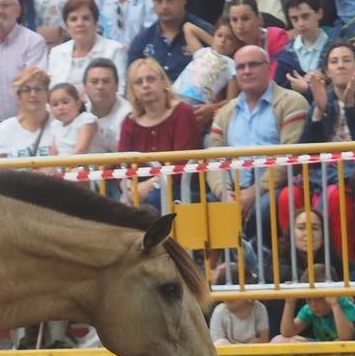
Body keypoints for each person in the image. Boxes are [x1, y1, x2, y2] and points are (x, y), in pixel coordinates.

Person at [207, 45, 309, 239]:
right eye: (240, 67)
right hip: (232, 190)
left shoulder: (292, 102)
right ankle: (218, 268)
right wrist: (225, 194)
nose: (246, 71)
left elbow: (290, 156)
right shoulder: (224, 113)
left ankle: (259, 265)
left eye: (253, 64)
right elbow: (212, 159)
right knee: (208, 208)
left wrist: (253, 192)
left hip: (273, 188)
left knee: (262, 209)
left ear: (268, 67)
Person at [118, 57, 201, 207]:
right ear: (133, 90)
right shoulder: (129, 122)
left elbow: (181, 163)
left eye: (151, 79)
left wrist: (149, 186)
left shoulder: (182, 113)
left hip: (181, 188)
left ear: (163, 82)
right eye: (138, 82)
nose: (145, 85)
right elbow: (121, 165)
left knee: (155, 200)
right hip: (139, 191)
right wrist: (131, 189)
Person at [128, 0, 210, 81]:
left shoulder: (204, 33)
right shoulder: (142, 40)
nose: (164, 6)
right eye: (158, 0)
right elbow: (132, 80)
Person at [47, 0, 128, 94]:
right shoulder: (56, 53)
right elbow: (50, 93)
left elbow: (119, 91)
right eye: (73, 19)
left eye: (85, 18)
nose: (80, 23)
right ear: (66, 26)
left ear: (95, 22)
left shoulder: (114, 50)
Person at [297, 40, 355, 143]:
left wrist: (350, 107)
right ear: (328, 72)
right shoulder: (323, 100)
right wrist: (319, 111)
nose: (340, 66)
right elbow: (306, 152)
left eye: (347, 60)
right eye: (334, 62)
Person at [275, 267, 355, 343]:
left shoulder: (344, 304)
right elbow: (287, 333)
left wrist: (335, 305)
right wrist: (289, 302)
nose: (313, 305)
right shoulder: (309, 309)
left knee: (338, 342)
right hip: (327, 347)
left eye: (320, 298)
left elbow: (345, 337)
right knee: (279, 340)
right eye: (308, 299)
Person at [0, 66, 55, 158]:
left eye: (38, 89)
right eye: (27, 90)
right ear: (18, 98)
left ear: (47, 94)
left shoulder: (60, 124)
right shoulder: (4, 129)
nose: (33, 94)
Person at [82, 57, 131, 153]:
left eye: (106, 81)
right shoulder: (80, 114)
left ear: (117, 86)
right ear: (85, 87)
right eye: (94, 82)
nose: (100, 86)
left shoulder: (129, 114)